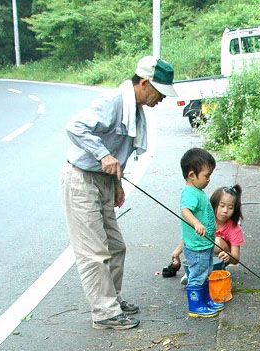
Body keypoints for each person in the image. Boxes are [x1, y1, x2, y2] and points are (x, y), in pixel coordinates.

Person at [61, 55, 178, 330]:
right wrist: (103, 155)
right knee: (94, 251)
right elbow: (74, 127)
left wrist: (116, 184)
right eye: (160, 93)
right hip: (81, 179)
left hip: (104, 180)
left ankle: (111, 298)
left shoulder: (135, 109)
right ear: (146, 83)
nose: (161, 99)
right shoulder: (114, 101)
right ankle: (104, 313)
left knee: (116, 247)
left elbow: (120, 153)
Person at [177, 148, 224, 318]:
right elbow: (185, 211)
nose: (208, 180)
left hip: (205, 244)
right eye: (206, 176)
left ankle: (206, 300)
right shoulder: (190, 193)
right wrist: (196, 223)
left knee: (206, 272)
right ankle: (196, 306)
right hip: (197, 246)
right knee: (197, 275)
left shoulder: (198, 191)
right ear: (192, 175)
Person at [168, 185, 245, 283]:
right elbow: (190, 236)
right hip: (199, 255)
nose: (225, 211)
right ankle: (195, 271)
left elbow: (236, 259)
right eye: (222, 206)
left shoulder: (235, 229)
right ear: (213, 204)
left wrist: (229, 255)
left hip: (219, 257)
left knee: (215, 241)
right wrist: (177, 251)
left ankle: (213, 270)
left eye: (230, 208)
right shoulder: (206, 219)